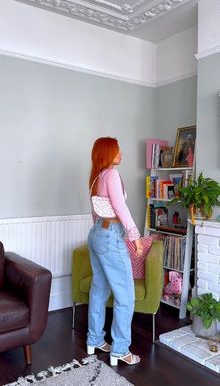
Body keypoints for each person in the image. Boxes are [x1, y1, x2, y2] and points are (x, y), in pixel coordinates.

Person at [86, 137, 144, 366]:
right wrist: (135, 236)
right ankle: (120, 350)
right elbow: (120, 208)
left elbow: (95, 212)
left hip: (96, 233)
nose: (121, 153)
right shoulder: (111, 175)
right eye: (118, 150)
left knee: (99, 290)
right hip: (110, 236)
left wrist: (98, 234)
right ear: (108, 153)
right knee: (126, 296)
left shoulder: (95, 177)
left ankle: (95, 340)